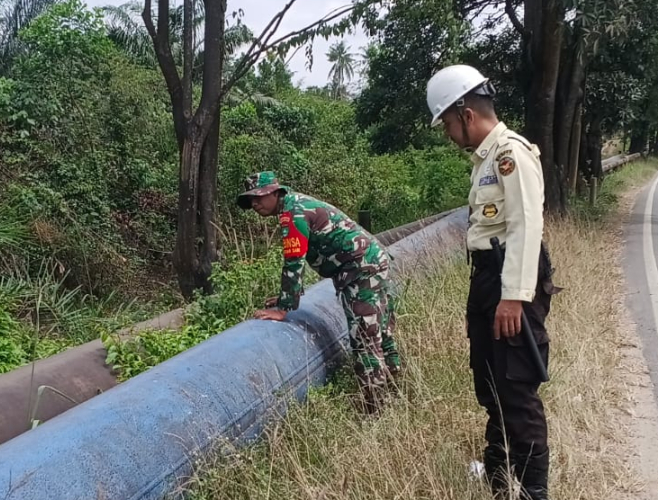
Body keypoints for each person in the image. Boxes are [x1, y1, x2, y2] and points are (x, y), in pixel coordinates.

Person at [425, 64, 560, 500]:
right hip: (487, 277)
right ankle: (500, 481)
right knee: (490, 385)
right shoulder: (484, 161)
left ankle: (533, 491)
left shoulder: (510, 154)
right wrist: (484, 299)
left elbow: (526, 226)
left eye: (447, 123)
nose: (448, 134)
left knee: (516, 388)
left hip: (510, 278)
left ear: (466, 114)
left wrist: (514, 297)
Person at [236, 171, 400, 412]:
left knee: (364, 339)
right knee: (380, 333)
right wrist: (285, 296)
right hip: (371, 264)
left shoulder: (293, 214)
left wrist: (284, 308)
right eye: (251, 200)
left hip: (361, 271)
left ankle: (375, 408)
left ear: (275, 193)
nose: (255, 204)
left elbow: (294, 260)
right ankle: (397, 393)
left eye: (259, 197)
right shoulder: (296, 204)